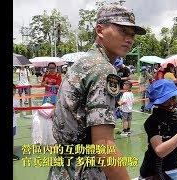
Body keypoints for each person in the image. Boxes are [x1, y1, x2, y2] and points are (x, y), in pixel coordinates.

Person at [48, 4, 146, 180]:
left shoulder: (84, 63)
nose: (130, 39)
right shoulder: (103, 69)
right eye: (123, 31)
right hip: (84, 171)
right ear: (100, 30)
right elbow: (104, 146)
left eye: (132, 34)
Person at [13, 84, 20, 160]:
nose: (13, 91)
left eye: (14, 90)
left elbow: (17, 111)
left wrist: (17, 110)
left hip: (13, 123)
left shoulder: (15, 99)